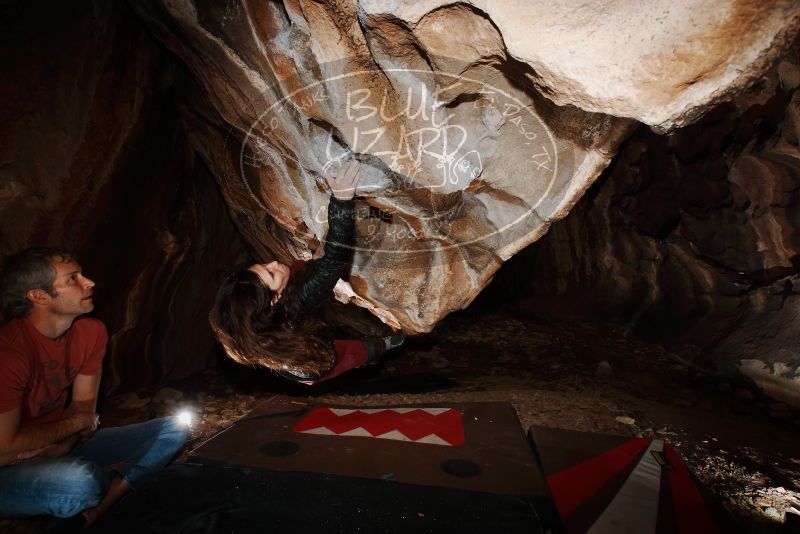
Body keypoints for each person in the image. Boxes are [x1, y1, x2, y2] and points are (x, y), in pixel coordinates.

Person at [0, 247, 189, 530]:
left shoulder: (90, 333)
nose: (89, 282)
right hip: (7, 471)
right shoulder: (9, 354)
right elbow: (6, 446)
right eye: (73, 278)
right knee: (80, 482)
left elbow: (85, 414)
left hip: (63, 447)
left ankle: (103, 502)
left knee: (174, 429)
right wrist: (75, 425)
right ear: (38, 296)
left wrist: (61, 443)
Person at [209, 160, 405, 384]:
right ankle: (383, 346)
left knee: (301, 271)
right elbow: (334, 261)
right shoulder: (298, 310)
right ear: (275, 300)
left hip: (278, 345)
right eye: (271, 273)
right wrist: (341, 200)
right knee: (357, 352)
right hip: (315, 365)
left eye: (263, 266)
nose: (273, 262)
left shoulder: (248, 322)